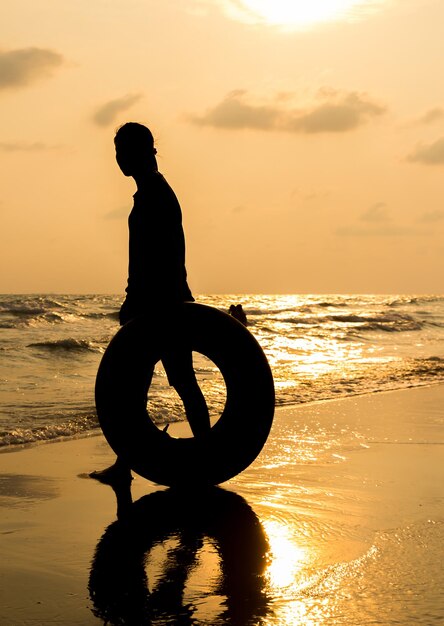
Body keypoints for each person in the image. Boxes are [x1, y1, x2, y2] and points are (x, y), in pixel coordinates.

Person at [90, 122, 210, 486]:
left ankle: (204, 459)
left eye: (123, 151)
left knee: (161, 384)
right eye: (116, 152)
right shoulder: (151, 192)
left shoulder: (156, 194)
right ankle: (136, 464)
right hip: (161, 301)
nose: (118, 159)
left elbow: (158, 257)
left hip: (158, 304)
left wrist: (137, 302)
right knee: (155, 384)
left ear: (143, 151)